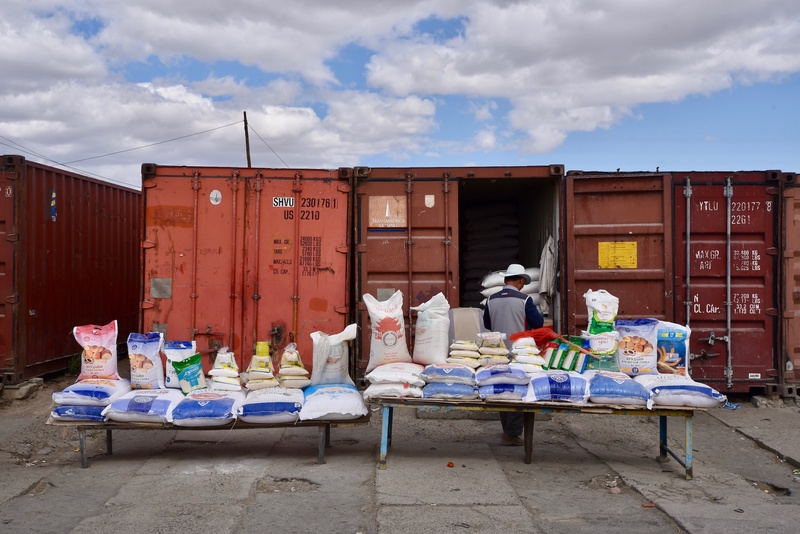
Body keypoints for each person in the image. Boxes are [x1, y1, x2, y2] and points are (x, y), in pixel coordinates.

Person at [482, 263, 544, 446]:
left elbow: (487, 323)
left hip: (496, 352)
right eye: (523, 282)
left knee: (503, 390)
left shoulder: (491, 299)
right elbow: (538, 323)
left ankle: (507, 431)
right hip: (520, 353)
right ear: (520, 280)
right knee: (518, 393)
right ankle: (512, 434)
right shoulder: (524, 300)